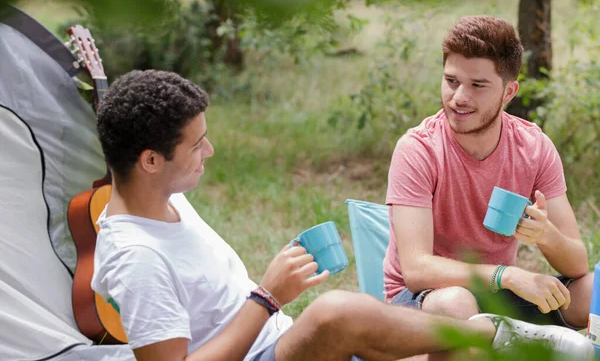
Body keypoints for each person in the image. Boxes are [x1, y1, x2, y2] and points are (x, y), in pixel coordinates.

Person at [91, 69, 593, 361]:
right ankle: (502, 333)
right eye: (197, 145)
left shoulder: (164, 199)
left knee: (434, 343)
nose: (212, 150)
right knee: (337, 311)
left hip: (281, 339)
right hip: (262, 351)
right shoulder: (137, 257)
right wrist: (266, 298)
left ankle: (515, 342)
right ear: (151, 161)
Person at [384, 15, 594, 359]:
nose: (459, 97)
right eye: (451, 80)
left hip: (499, 297)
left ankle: (506, 341)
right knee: (455, 303)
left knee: (592, 291)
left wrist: (545, 236)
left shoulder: (534, 147)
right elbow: (416, 271)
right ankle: (513, 346)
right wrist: (507, 275)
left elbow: (577, 264)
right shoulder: (418, 149)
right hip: (427, 299)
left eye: (478, 85)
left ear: (509, 91)